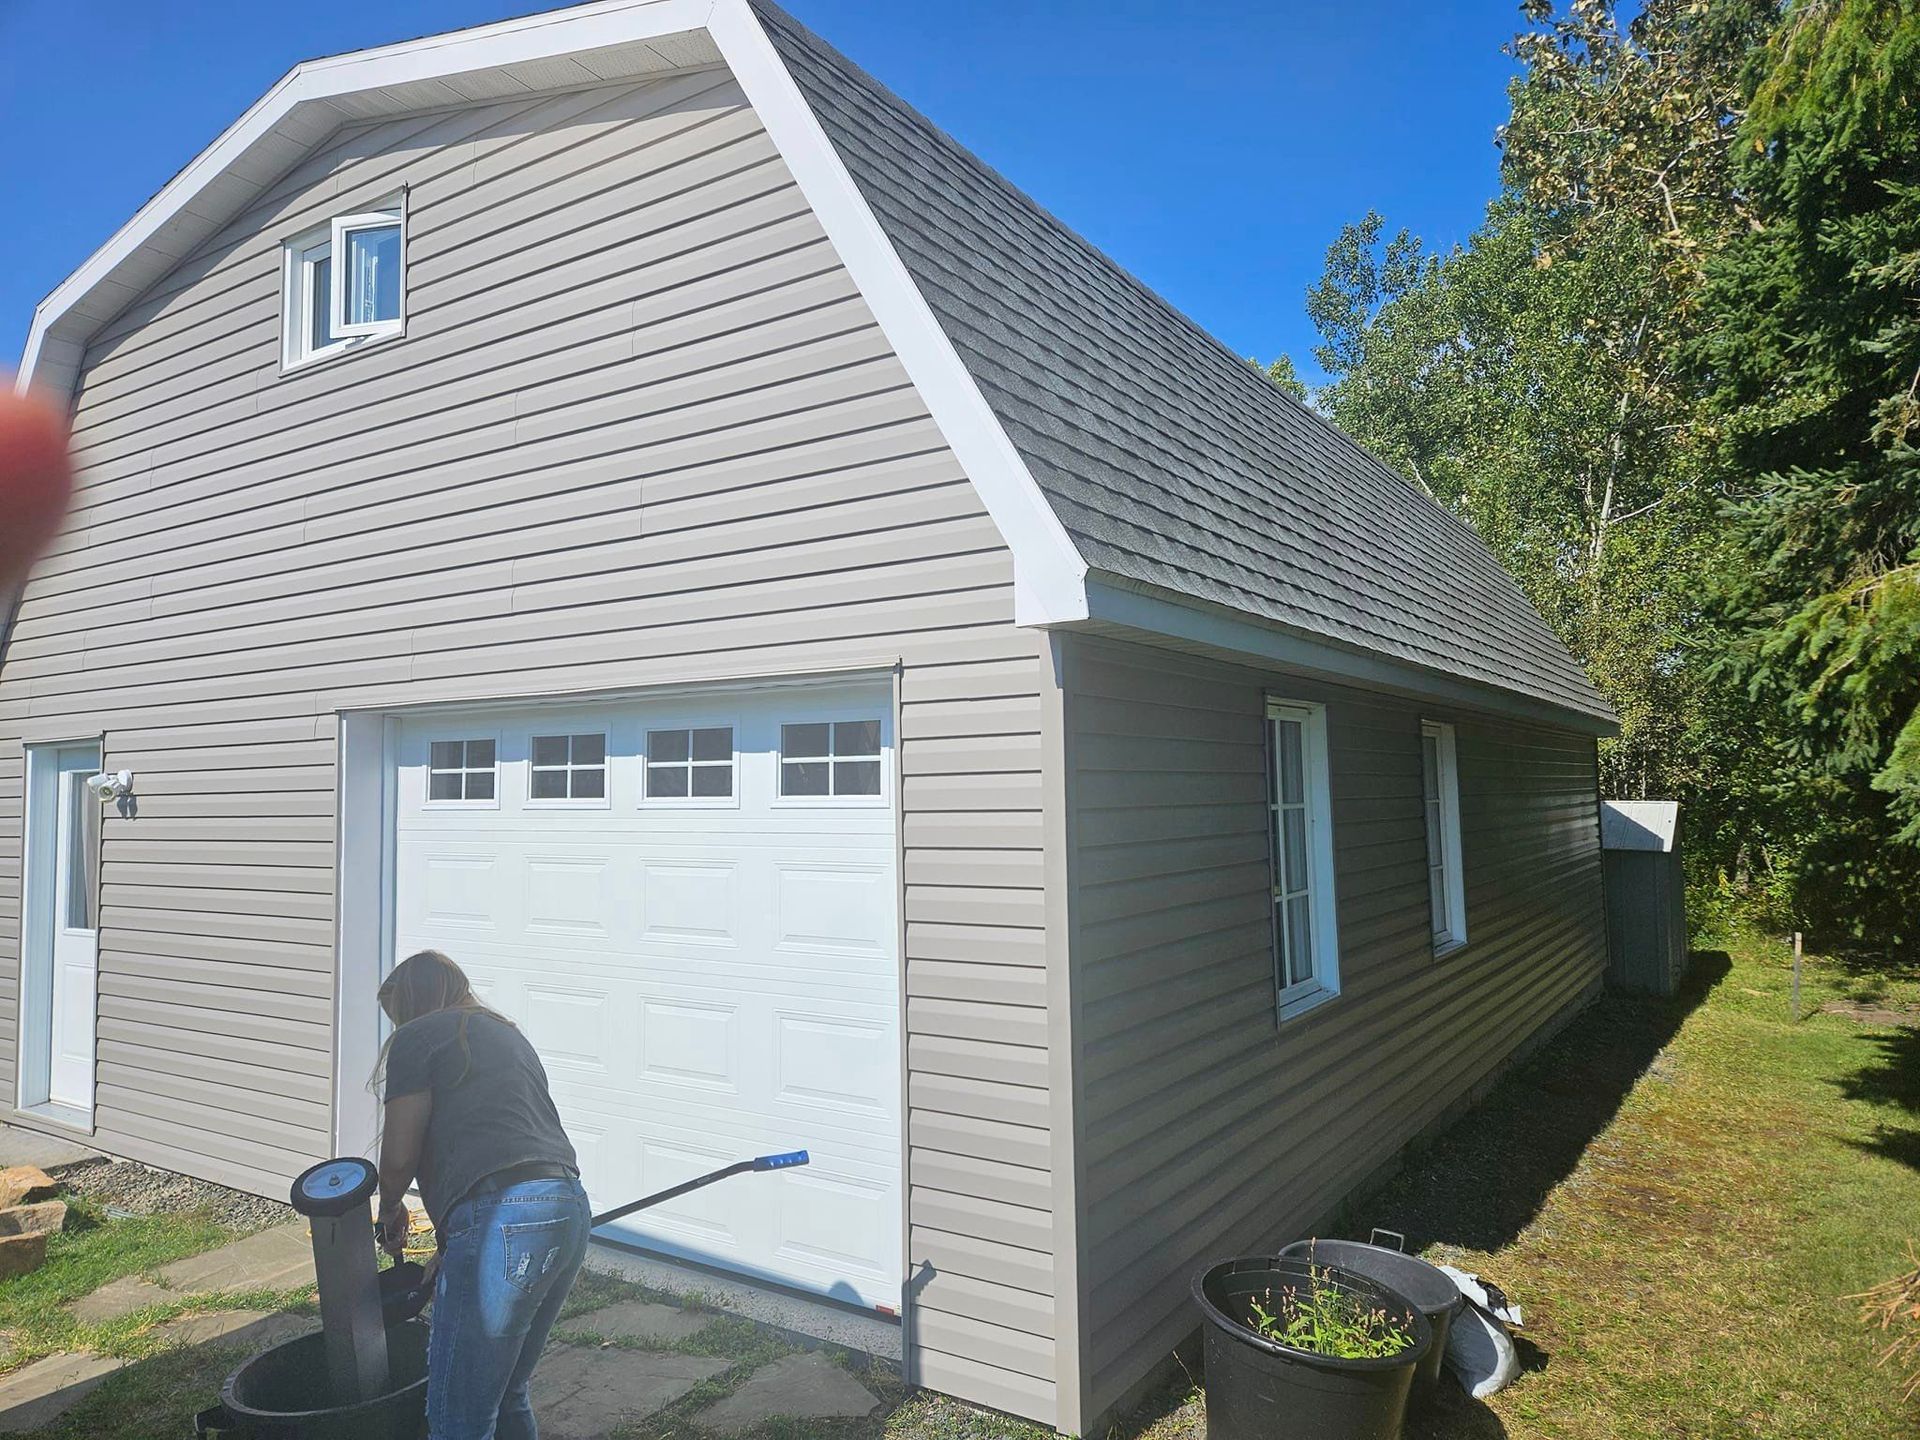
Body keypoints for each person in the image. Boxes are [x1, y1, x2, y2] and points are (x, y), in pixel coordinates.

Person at [374, 949, 589, 1440]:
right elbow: (494, 1142)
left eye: (397, 1017)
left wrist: (390, 1209)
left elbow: (400, 1154)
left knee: (457, 1415)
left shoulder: (417, 1037)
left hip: (504, 1215)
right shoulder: (506, 1034)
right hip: (567, 1205)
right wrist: (454, 1247)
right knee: (507, 1389)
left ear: (413, 1004)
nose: (396, 1027)